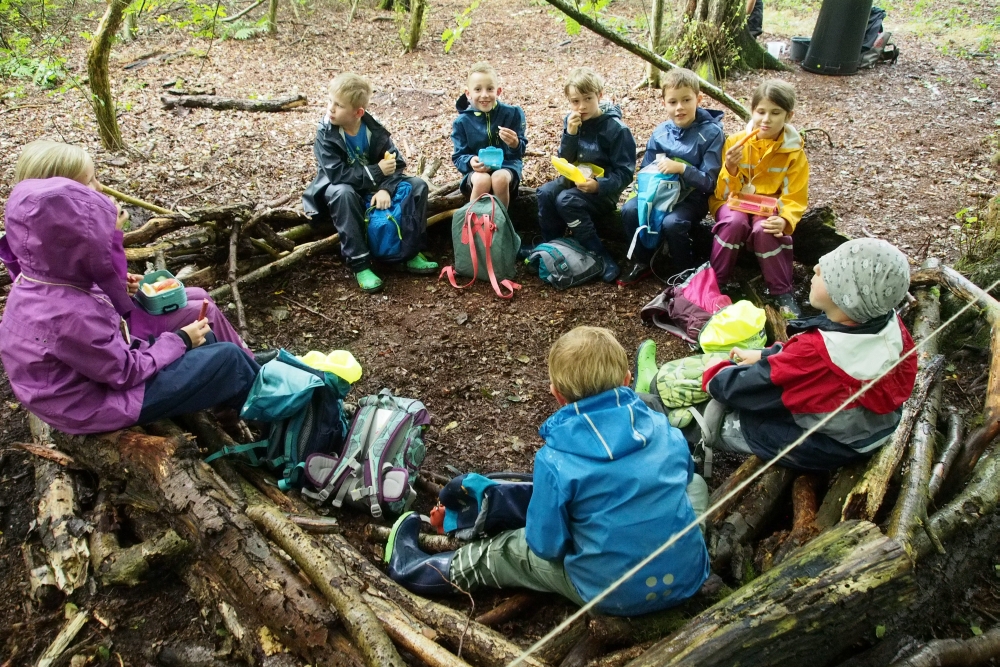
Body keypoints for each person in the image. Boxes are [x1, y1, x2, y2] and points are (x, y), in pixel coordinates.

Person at [384, 326, 710, 616]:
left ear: (556, 394)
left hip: (613, 594)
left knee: (506, 550)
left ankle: (415, 570)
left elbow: (544, 545)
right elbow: (682, 476)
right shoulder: (662, 426)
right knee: (695, 483)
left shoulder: (555, 460)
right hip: (688, 576)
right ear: (627, 380)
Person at [0, 175, 260, 435]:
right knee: (229, 359)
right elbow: (124, 372)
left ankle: (240, 408)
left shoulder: (37, 280)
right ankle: (278, 429)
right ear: (76, 248)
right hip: (91, 407)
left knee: (209, 340)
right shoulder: (71, 314)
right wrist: (179, 340)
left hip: (79, 391)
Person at [0, 139, 254, 359]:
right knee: (203, 311)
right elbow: (111, 293)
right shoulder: (75, 241)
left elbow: (97, 284)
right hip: (117, 333)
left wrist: (125, 283)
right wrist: (113, 237)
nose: (99, 188)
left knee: (199, 294)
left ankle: (244, 358)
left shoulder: (36, 237)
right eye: (89, 182)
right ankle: (246, 370)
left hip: (108, 318)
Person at [697, 239, 917, 472]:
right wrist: (764, 355)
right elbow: (809, 362)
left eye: (829, 274)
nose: (816, 268)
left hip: (832, 446)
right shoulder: (886, 322)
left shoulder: (814, 355)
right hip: (877, 427)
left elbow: (747, 389)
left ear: (847, 297)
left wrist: (716, 372)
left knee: (744, 419)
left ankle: (692, 435)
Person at [302, 72, 437, 293]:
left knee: (417, 186)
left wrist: (385, 188)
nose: (331, 108)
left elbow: (396, 163)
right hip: (342, 193)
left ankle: (410, 252)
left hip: (374, 187)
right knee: (342, 192)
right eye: (330, 102)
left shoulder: (373, 130)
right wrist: (376, 172)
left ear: (358, 112)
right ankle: (360, 264)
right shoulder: (326, 133)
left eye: (339, 105)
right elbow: (336, 175)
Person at [708, 79, 809, 318]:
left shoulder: (794, 152)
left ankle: (781, 291)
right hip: (733, 203)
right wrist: (730, 169)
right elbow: (722, 193)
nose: (766, 119)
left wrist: (785, 220)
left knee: (767, 230)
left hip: (768, 208)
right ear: (752, 111)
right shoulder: (735, 142)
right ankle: (716, 283)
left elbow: (795, 195)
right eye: (761, 111)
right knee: (733, 224)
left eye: (775, 113)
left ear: (788, 116)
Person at [619, 68, 724, 285]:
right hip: (660, 192)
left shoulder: (712, 133)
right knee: (629, 210)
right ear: (664, 103)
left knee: (673, 223)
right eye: (673, 102)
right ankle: (643, 261)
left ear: (699, 99)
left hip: (692, 197)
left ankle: (683, 272)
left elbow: (710, 182)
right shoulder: (661, 132)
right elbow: (647, 169)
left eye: (686, 100)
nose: (680, 108)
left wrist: (681, 169)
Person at [535, 68, 637, 283]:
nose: (581, 107)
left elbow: (625, 173)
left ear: (600, 95)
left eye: (588, 99)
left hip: (601, 191)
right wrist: (570, 134)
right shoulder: (572, 121)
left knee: (566, 200)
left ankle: (600, 255)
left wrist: (599, 186)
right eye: (575, 101)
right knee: (545, 193)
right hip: (574, 180)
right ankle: (552, 249)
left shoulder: (617, 129)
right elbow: (566, 158)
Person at [451, 61, 528, 210]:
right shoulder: (462, 122)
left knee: (498, 178)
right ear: (468, 94)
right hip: (476, 172)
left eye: (490, 89)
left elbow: (520, 152)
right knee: (482, 180)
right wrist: (470, 161)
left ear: (498, 91)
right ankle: (473, 225)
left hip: (507, 167)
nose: (484, 95)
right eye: (478, 89)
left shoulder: (512, 114)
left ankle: (500, 224)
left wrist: (515, 144)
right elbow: (458, 157)